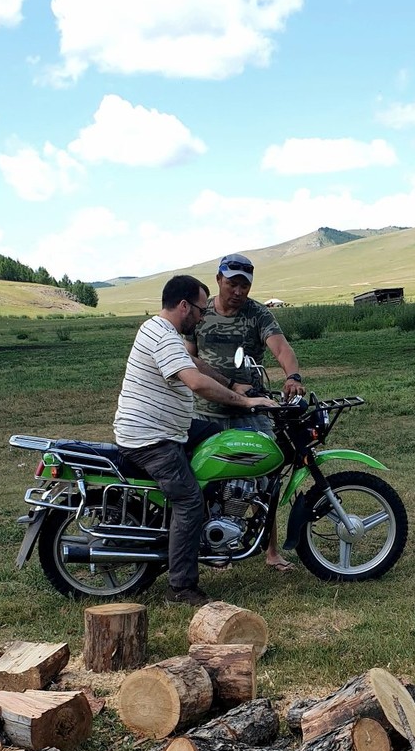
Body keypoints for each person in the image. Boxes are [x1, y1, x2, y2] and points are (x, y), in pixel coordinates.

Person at [113, 274, 277, 605]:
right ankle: (181, 588)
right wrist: (245, 403)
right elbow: (196, 382)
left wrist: (233, 385)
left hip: (170, 428)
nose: (202, 317)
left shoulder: (159, 331)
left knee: (225, 440)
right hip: (151, 439)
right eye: (201, 310)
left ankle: (217, 523)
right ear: (184, 306)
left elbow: (197, 364)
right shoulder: (165, 338)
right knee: (188, 501)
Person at [187, 253, 305, 571]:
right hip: (206, 410)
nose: (238, 292)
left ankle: (271, 552)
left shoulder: (257, 314)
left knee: (267, 479)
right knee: (209, 480)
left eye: (244, 286)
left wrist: (292, 376)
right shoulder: (201, 313)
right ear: (218, 280)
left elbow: (281, 347)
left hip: (250, 409)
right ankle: (214, 547)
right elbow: (188, 356)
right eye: (232, 284)